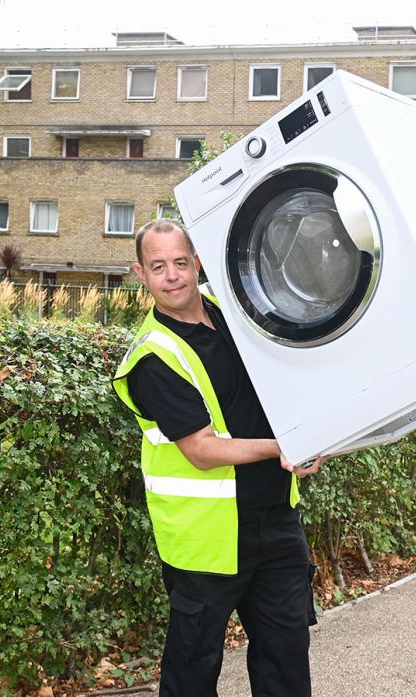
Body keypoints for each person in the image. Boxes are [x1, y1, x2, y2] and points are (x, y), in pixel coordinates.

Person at [112, 219, 325, 697]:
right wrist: (284, 448)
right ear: (141, 274)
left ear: (197, 264)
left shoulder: (235, 313)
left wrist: (312, 432)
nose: (173, 276)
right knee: (193, 668)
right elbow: (203, 450)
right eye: (158, 266)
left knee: (285, 659)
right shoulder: (154, 357)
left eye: (181, 263)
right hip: (206, 539)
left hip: (275, 519)